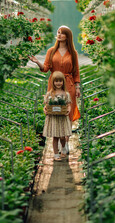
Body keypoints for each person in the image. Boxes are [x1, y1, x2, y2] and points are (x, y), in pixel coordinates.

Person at [29, 25, 81, 154]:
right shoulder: (51, 51)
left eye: (62, 33)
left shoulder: (73, 53)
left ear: (67, 36)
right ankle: (57, 141)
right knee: (54, 112)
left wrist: (77, 86)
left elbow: (76, 72)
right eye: (58, 32)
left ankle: (66, 142)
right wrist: (37, 62)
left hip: (69, 85)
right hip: (54, 85)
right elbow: (46, 68)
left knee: (67, 113)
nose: (59, 34)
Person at [42, 71, 72, 160]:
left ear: (63, 82)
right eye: (56, 81)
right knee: (55, 137)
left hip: (62, 118)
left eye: (60, 81)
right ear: (53, 82)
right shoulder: (49, 94)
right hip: (54, 118)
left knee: (62, 136)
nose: (58, 83)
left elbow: (69, 104)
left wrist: (68, 109)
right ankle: (56, 154)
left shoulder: (66, 94)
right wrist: (45, 109)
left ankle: (63, 148)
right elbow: (46, 105)